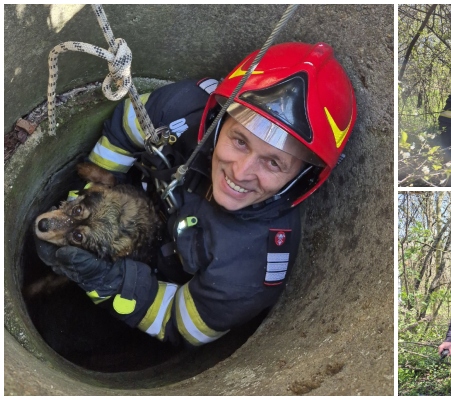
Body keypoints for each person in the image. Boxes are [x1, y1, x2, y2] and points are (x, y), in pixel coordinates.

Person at [35, 42, 357, 347]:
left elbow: (178, 322)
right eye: (240, 140)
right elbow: (126, 127)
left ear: (303, 177)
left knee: (71, 330)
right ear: (220, 120)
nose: (240, 172)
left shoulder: (249, 267)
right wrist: (91, 192)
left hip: (151, 285)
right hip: (137, 206)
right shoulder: (185, 108)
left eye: (273, 162)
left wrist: (111, 284)